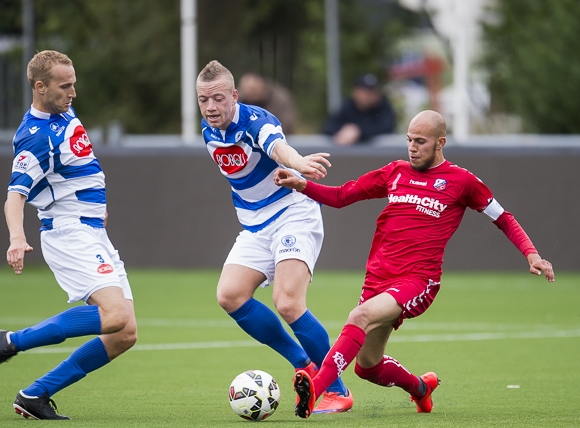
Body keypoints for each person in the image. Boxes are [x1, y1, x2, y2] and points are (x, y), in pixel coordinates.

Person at [275, 110, 555, 418]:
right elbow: (342, 196)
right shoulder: (395, 172)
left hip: (418, 280)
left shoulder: (462, 182)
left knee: (359, 315)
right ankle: (421, 389)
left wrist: (531, 253)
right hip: (378, 279)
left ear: (440, 142)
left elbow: (503, 218)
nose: (412, 147)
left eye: (420, 141)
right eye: (409, 140)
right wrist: (300, 184)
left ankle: (316, 388)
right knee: (367, 367)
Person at [0, 50, 137, 420]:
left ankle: (35, 394)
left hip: (91, 230)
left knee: (124, 333)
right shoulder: (35, 138)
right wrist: (17, 238)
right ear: (40, 87)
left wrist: (97, 208)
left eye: (74, 83)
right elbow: (14, 197)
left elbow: (74, 171)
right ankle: (10, 341)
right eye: (65, 86)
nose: (73, 92)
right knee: (113, 316)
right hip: (70, 234)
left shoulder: (62, 111)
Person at [195, 60, 353, 417]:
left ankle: (337, 390)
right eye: (203, 100)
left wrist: (298, 163)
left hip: (292, 214)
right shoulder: (208, 132)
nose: (211, 108)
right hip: (255, 226)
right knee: (230, 295)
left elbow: (277, 145)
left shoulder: (255, 121)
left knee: (287, 302)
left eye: (219, 98)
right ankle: (306, 365)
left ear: (234, 96)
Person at [323, 73, 396, 146]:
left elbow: (387, 128)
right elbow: (328, 127)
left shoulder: (383, 106)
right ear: (356, 92)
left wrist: (358, 133)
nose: (371, 95)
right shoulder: (347, 106)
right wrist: (343, 132)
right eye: (366, 92)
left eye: (373, 91)